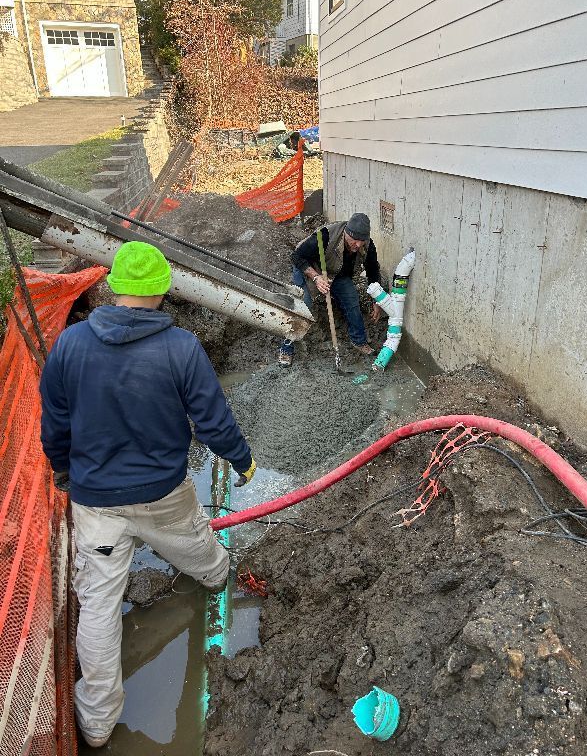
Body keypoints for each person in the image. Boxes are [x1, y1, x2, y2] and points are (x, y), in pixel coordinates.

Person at [39, 241, 255, 748]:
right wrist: (241, 461)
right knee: (201, 551)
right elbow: (213, 421)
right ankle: (217, 575)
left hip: (95, 503)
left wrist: (63, 472)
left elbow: (56, 426)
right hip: (163, 493)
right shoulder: (181, 348)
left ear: (114, 288)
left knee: (97, 608)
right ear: (163, 290)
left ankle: (94, 725)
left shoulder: (69, 346)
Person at [279, 213, 382, 367]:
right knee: (302, 306)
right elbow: (296, 257)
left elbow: (373, 270)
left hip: (335, 272)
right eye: (355, 240)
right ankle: (286, 348)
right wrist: (316, 277)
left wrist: (377, 299)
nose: (358, 245)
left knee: (352, 299)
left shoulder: (367, 245)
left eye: (362, 241)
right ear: (346, 233)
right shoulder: (325, 236)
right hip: (308, 267)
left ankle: (359, 341)